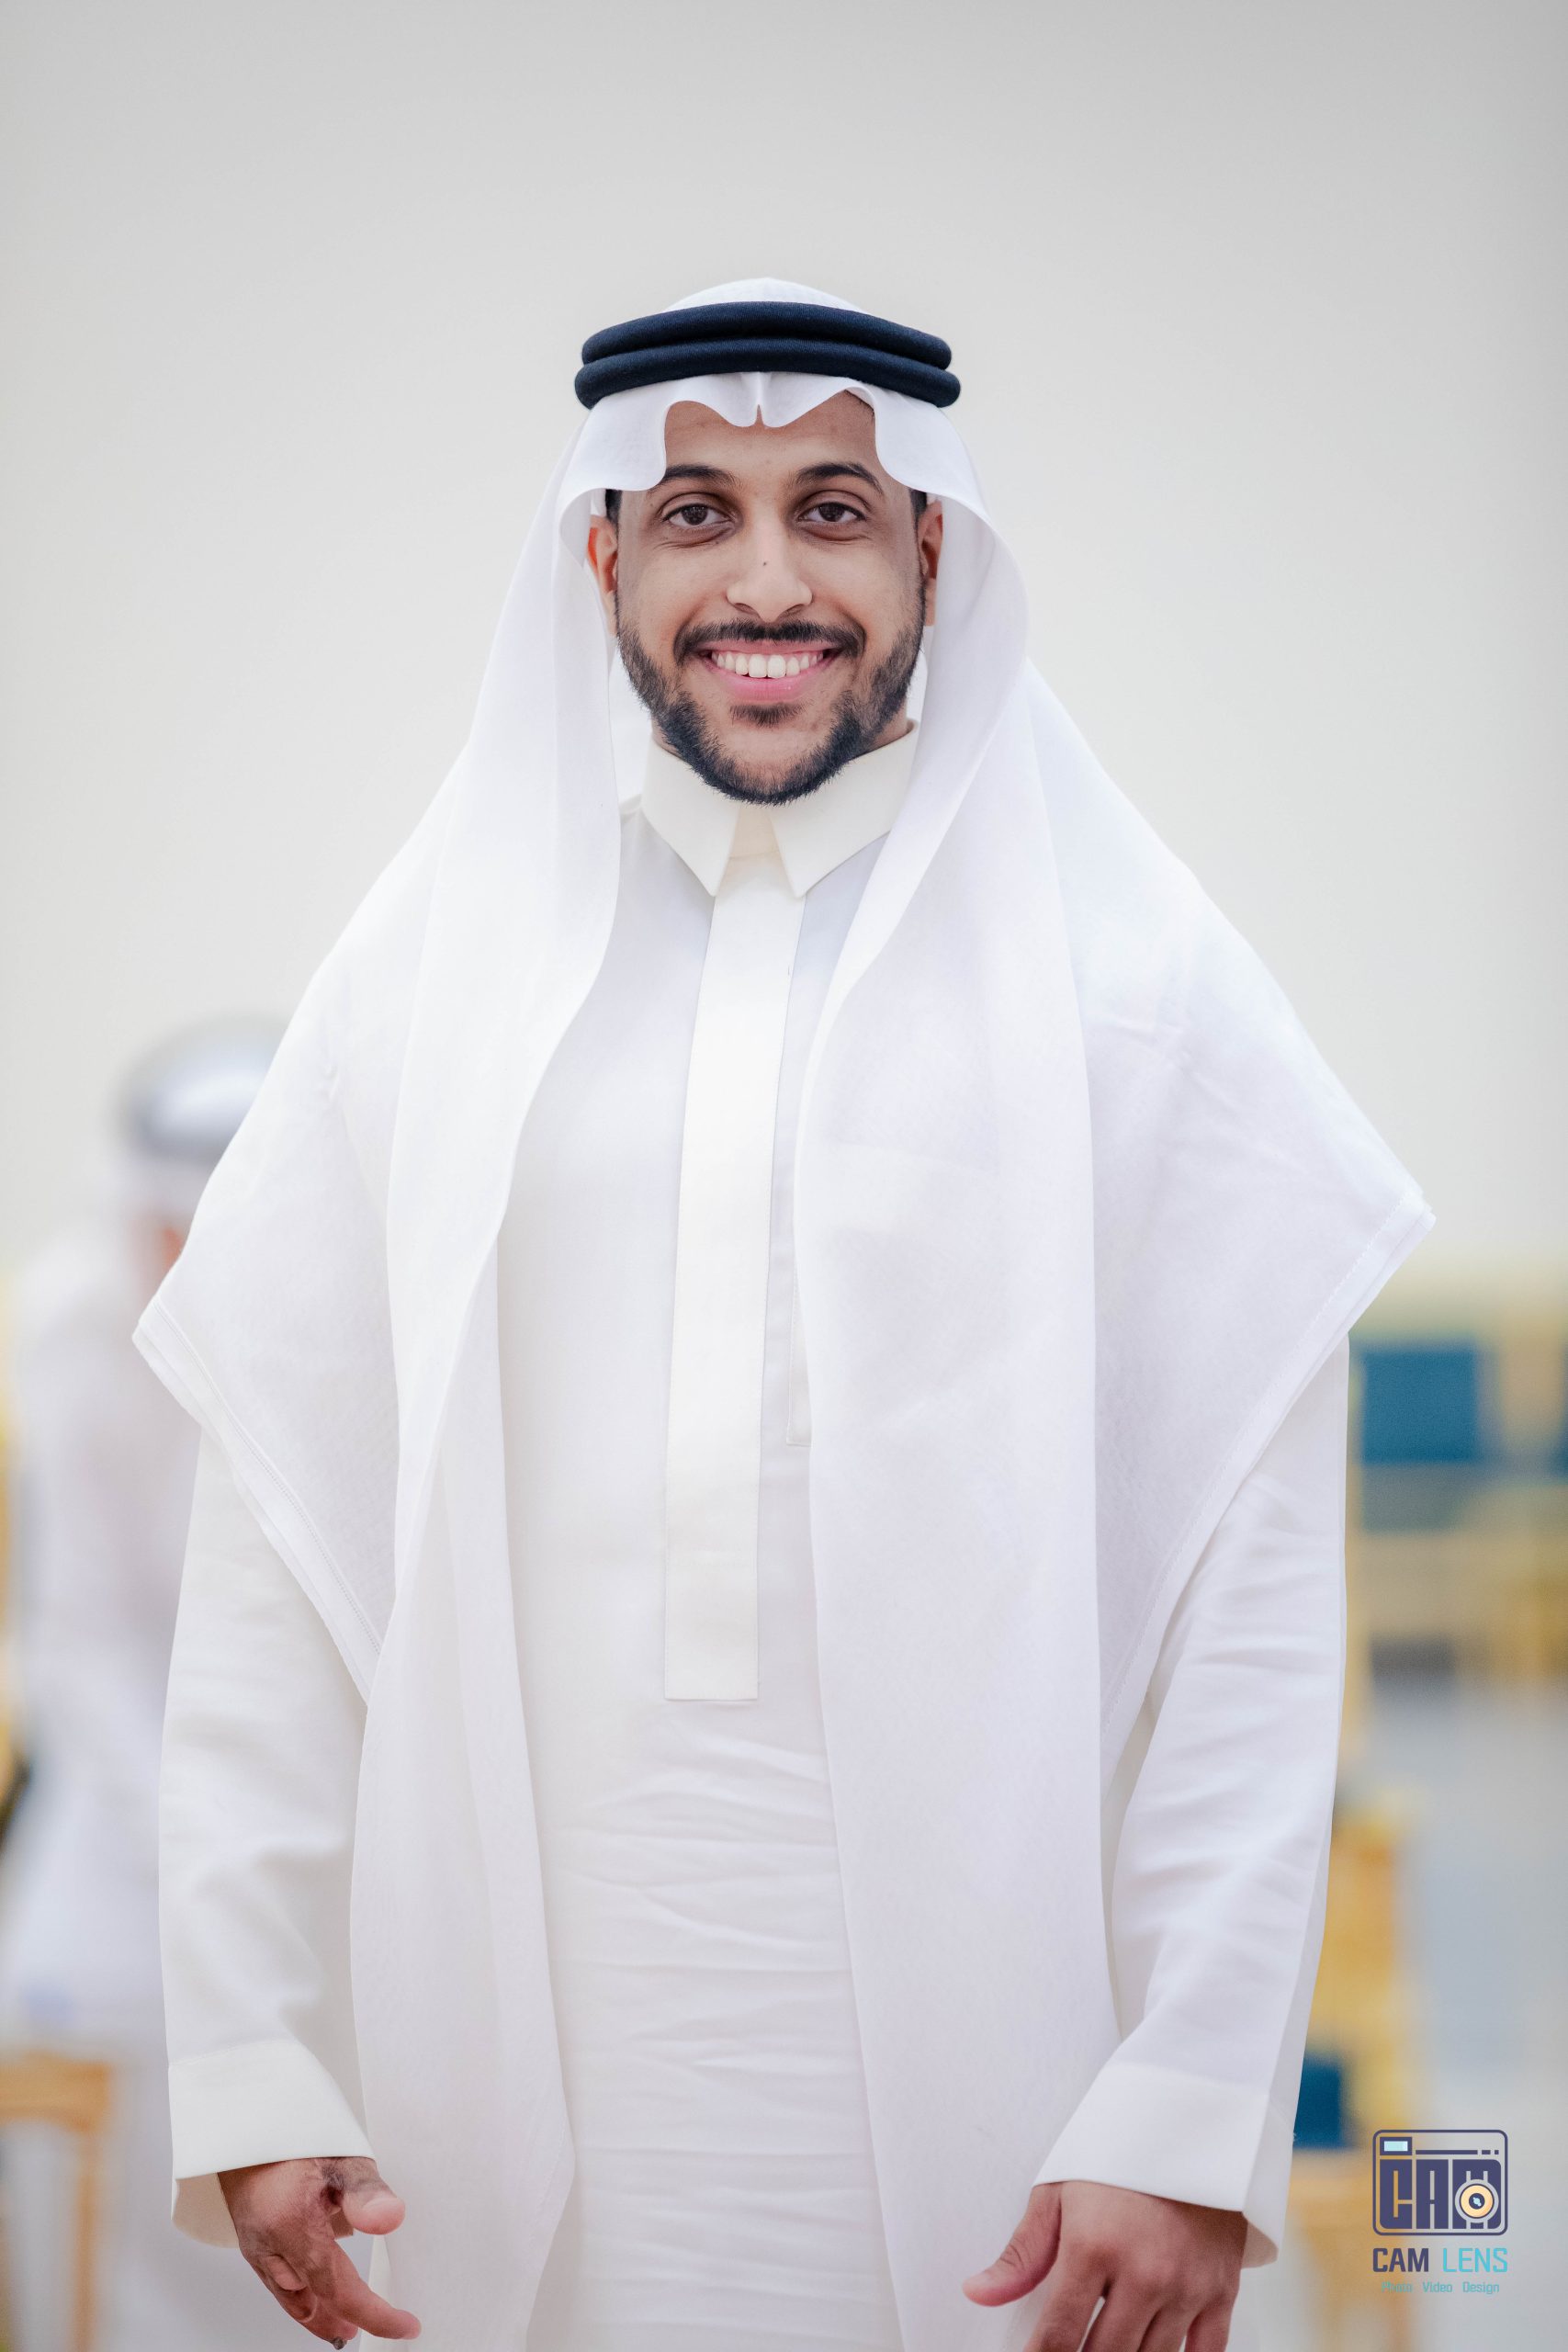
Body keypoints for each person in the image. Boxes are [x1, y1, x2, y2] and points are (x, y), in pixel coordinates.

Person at [140, 281, 1432, 2352]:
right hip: (503, 2081)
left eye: (830, 510)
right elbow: (275, 1547)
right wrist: (251, 2044)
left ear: (931, 552)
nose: (764, 583)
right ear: (601, 563)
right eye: (695, 516)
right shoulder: (431, 983)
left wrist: (1191, 2103)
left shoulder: (1129, 989)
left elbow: (1249, 1608)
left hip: (1005, 2105)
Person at [0, 1022, 293, 2351]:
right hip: (127, 1838)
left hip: (315, 1826)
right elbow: (84, 1635)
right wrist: (190, 1843)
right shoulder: (75, 1324)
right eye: (165, 1233)